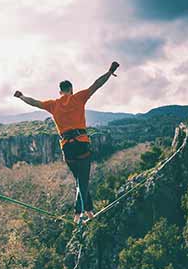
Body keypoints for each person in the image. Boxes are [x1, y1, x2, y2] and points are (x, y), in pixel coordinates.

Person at [14, 61, 120, 223]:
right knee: (82, 181)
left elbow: (34, 102)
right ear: (71, 89)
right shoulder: (78, 98)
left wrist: (21, 97)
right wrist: (109, 72)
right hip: (81, 144)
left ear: (60, 92)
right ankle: (77, 216)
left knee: (80, 180)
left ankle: (90, 212)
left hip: (67, 148)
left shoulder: (53, 104)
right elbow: (96, 85)